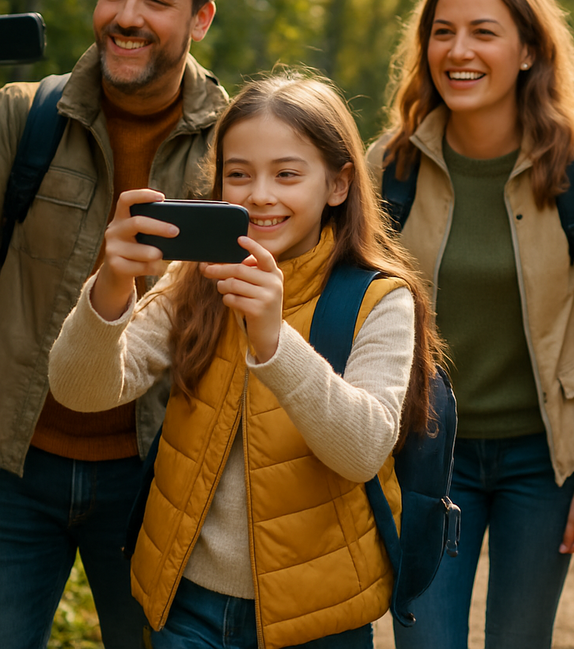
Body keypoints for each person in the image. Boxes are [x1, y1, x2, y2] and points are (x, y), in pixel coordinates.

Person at [48, 71, 443, 649]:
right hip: (185, 605)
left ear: (337, 184)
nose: (260, 194)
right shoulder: (196, 280)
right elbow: (81, 389)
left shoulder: (380, 300)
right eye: (239, 174)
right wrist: (110, 286)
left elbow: (363, 451)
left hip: (318, 617)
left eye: (287, 174)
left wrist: (273, 340)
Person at [366, 0, 574, 649]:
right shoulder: (388, 166)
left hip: (542, 465)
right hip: (429, 457)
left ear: (528, 50)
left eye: (483, 32)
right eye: (442, 31)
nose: (458, 51)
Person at [0, 0, 227, 649]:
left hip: (154, 479)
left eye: (156, 2)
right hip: (12, 470)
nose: (126, 18)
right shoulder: (21, 119)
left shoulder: (235, 149)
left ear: (200, 18)